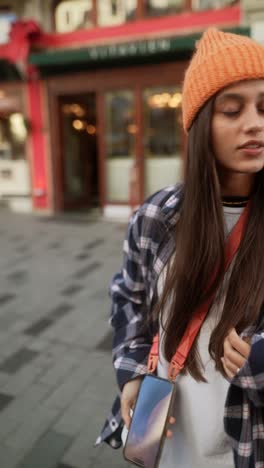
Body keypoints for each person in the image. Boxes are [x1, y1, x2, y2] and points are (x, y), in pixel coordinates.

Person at [95, 27, 264, 467]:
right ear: (200, 123)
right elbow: (128, 296)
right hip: (169, 424)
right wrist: (131, 373)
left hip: (246, 439)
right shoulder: (159, 215)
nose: (255, 123)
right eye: (231, 110)